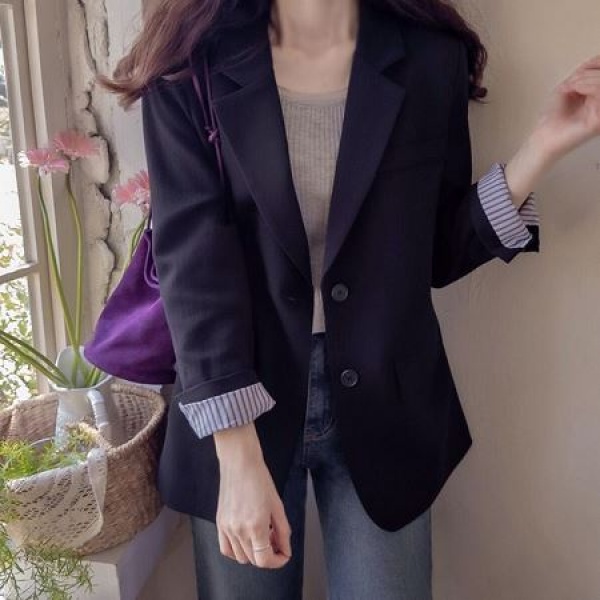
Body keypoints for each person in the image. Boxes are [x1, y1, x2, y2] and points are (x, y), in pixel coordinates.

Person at [100, 0, 600, 598]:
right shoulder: (190, 66)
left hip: (390, 399)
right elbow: (193, 265)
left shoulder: (429, 59)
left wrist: (542, 147)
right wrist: (236, 454)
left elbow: (434, 251)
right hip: (236, 403)